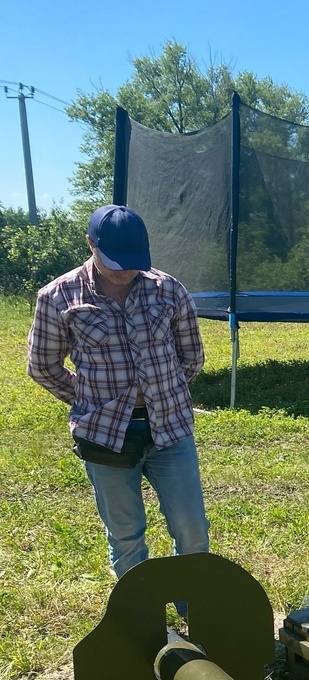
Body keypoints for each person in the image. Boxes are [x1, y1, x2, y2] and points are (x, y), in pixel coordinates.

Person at [27, 204, 210, 581]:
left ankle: (195, 607)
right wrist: (89, 400)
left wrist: (163, 392)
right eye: (115, 261)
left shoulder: (168, 289)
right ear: (90, 244)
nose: (125, 270)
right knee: (126, 537)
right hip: (104, 436)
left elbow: (191, 356)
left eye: (134, 260)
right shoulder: (59, 296)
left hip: (171, 429)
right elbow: (42, 366)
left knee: (192, 530)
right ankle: (140, 614)